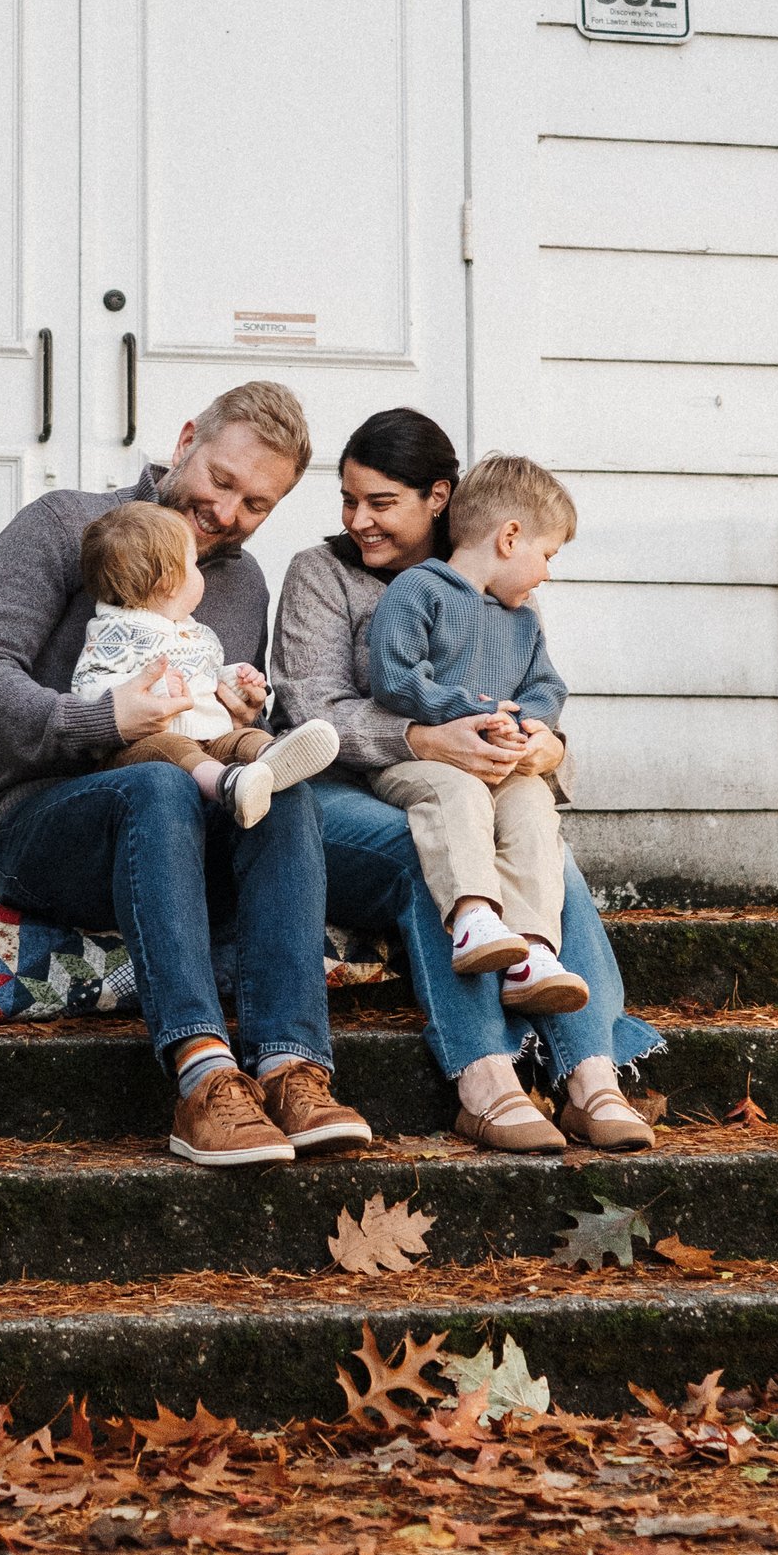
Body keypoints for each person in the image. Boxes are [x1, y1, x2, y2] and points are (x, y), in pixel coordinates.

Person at [0, 383, 372, 1173]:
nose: (229, 511)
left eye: (257, 503)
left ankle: (291, 1068)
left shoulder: (241, 584)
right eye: (221, 479)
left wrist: (242, 713)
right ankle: (205, 1077)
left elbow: (208, 717)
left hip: (179, 822)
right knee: (160, 784)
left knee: (283, 789)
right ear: (184, 441)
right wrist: (105, 719)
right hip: (45, 822)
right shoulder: (62, 523)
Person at [271, 408, 659, 1157]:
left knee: (540, 854)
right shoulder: (321, 575)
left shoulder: (497, 586)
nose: (359, 519)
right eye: (349, 500)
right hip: (343, 793)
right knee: (436, 841)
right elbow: (307, 714)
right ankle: (486, 1081)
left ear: (439, 499)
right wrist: (422, 736)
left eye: (381, 502)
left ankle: (592, 1080)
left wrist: (545, 751)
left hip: (473, 791)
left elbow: (529, 698)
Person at [364, 452, 589, 1010]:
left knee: (534, 805)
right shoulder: (419, 590)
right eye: (547, 554)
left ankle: (533, 953)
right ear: (510, 537)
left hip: (502, 761)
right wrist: (471, 709)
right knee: (460, 793)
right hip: (425, 765)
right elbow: (394, 676)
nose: (547, 573)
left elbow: (547, 687)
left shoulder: (524, 620)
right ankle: (472, 920)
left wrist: (528, 727)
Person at [70, 498, 337, 827]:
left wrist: (234, 682)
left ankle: (273, 757)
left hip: (213, 738)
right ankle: (229, 785)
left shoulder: (190, 629)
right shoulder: (117, 631)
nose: (201, 574)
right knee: (173, 748)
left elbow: (205, 677)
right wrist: (152, 688)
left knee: (243, 740)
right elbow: (87, 686)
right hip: (145, 749)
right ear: (168, 580)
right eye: (194, 564)